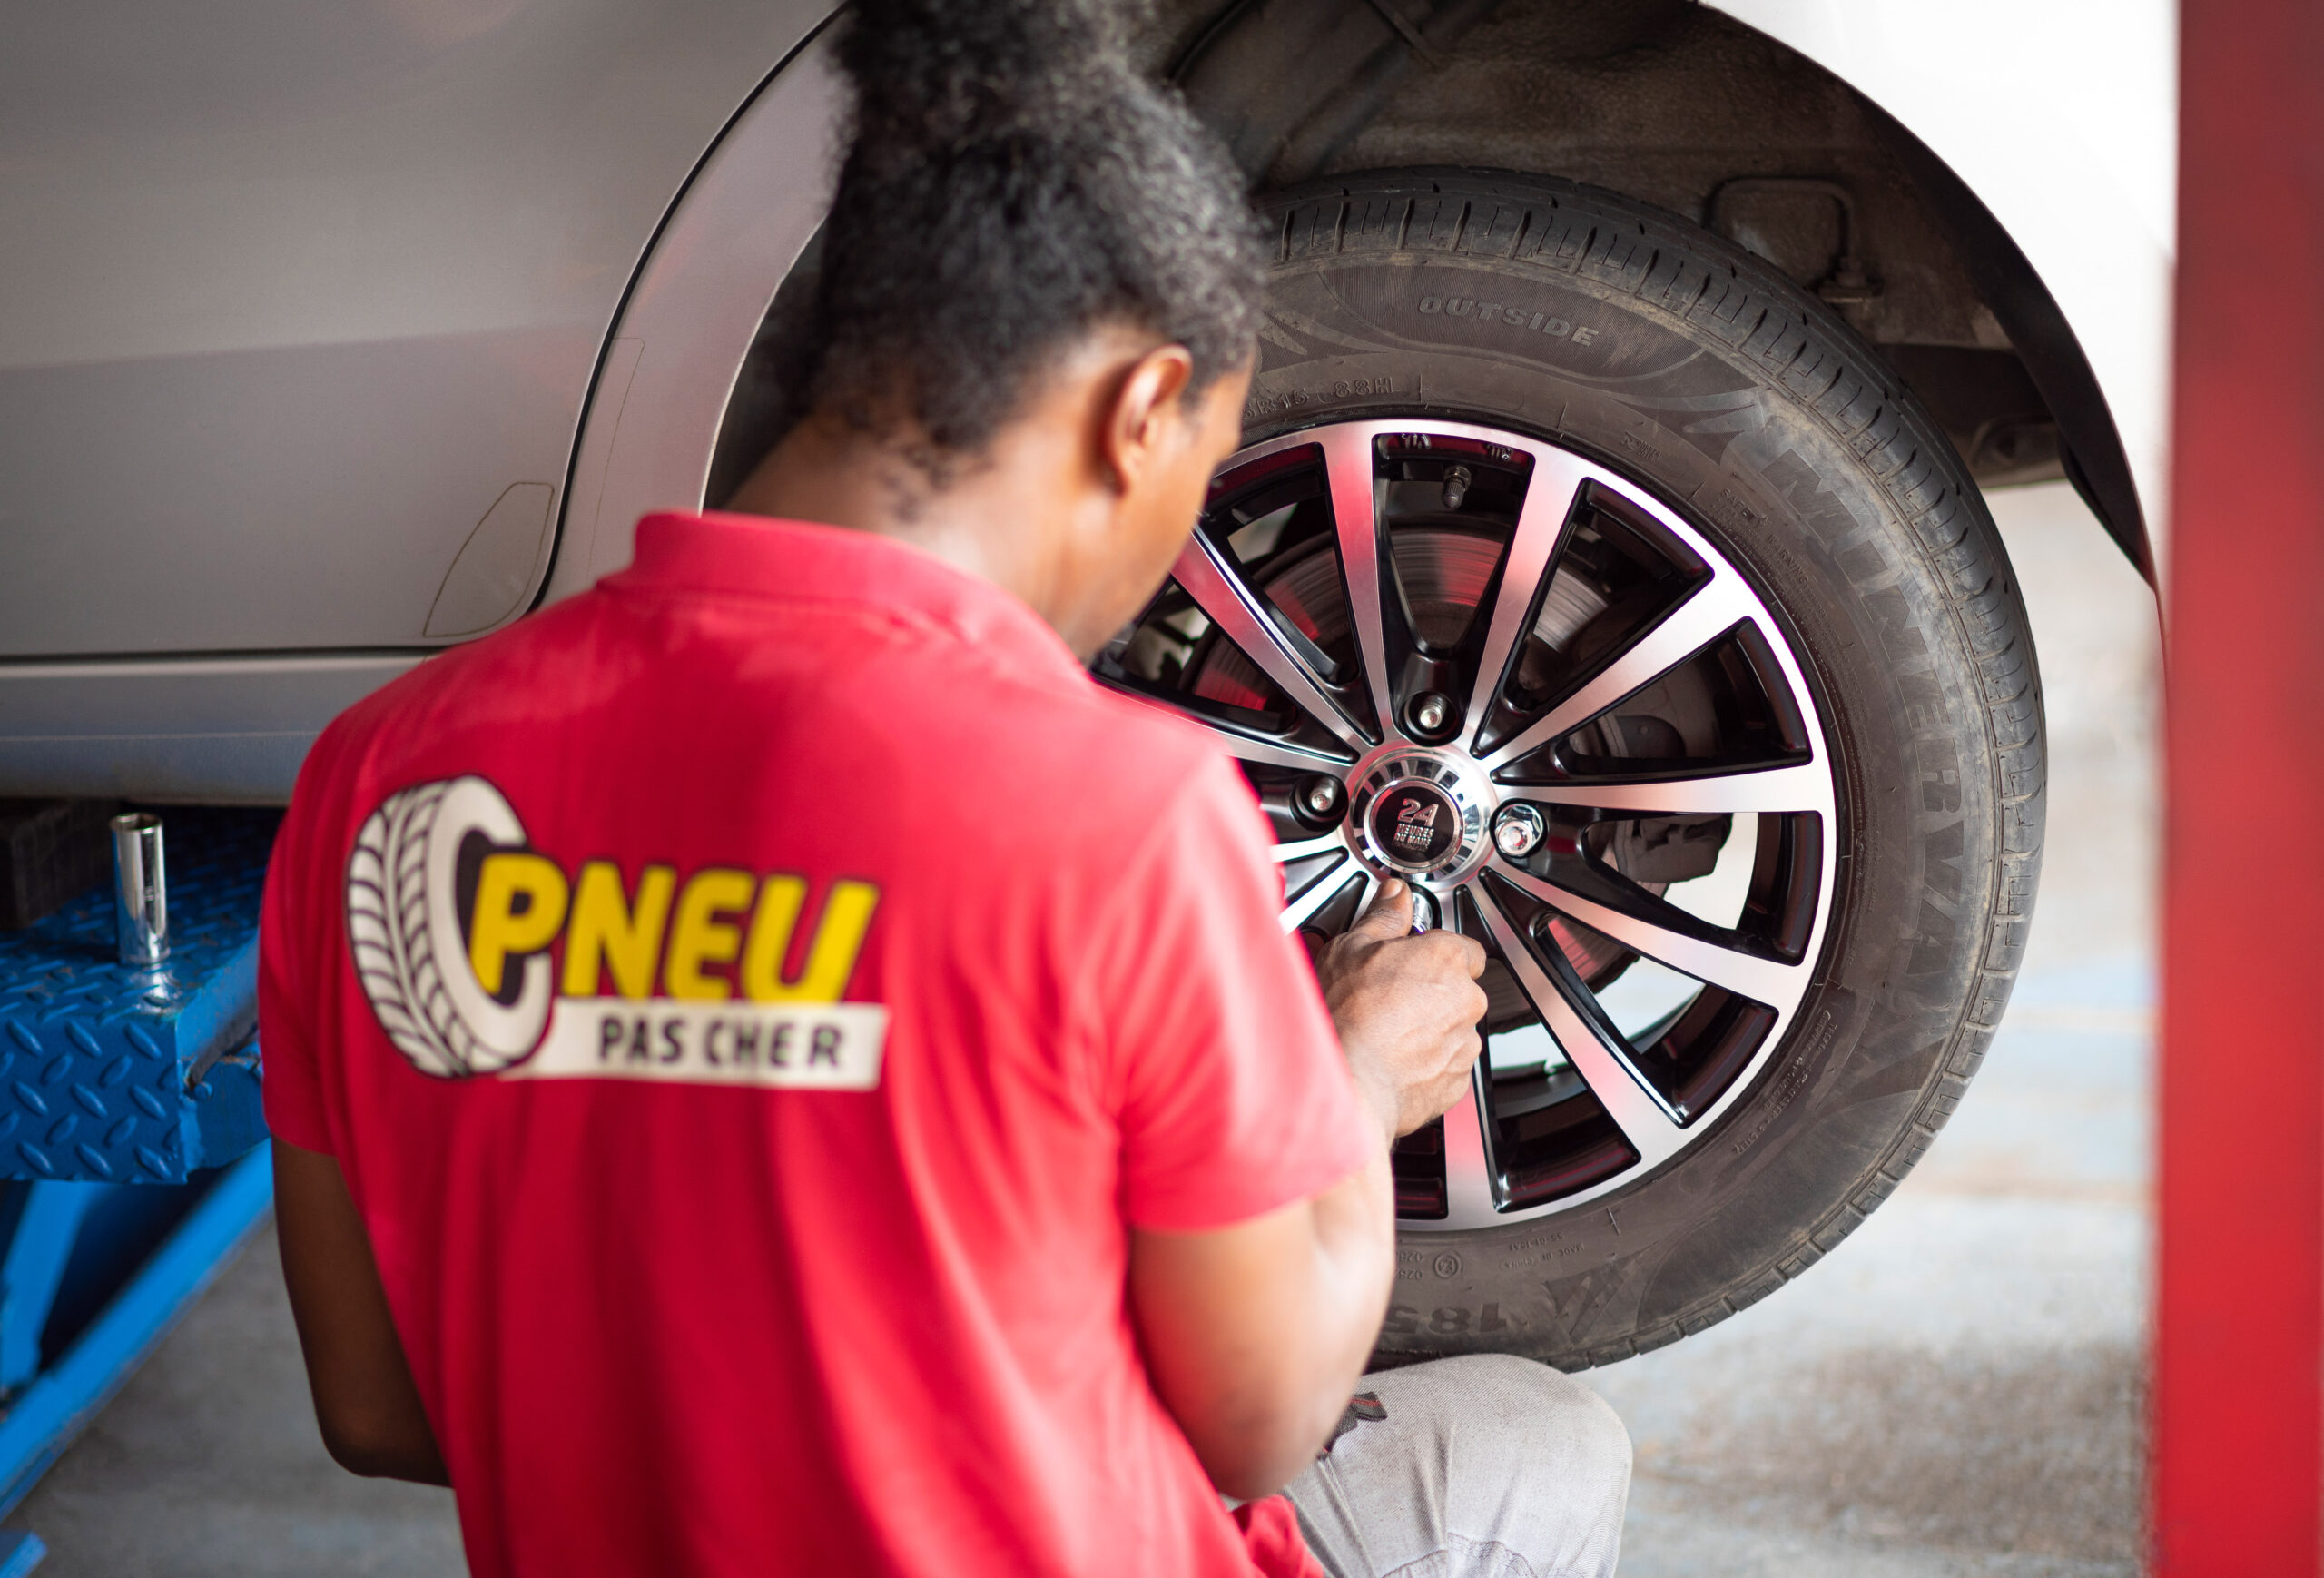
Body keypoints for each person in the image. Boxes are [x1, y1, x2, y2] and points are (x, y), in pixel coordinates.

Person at [258, 1, 1632, 1573]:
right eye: (1210, 454)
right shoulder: (1112, 807)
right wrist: (1352, 1085)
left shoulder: (380, 782)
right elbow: (1262, 1413)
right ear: (1138, 414)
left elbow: (374, 1406)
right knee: (1544, 1449)